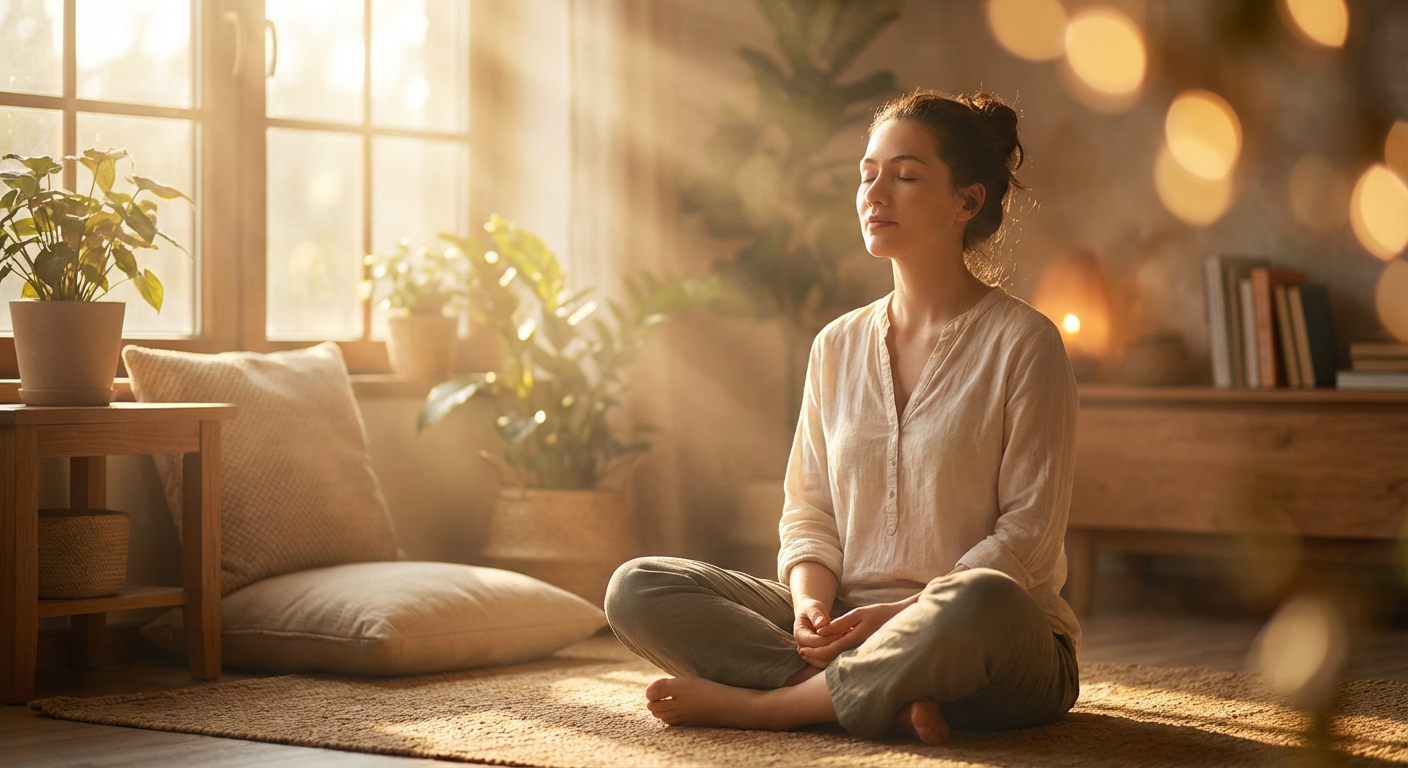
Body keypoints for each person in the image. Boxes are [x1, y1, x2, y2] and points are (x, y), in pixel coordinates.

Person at [604, 89, 1080, 744]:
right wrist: (810, 604)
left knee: (982, 602)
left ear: (966, 202)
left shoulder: (1025, 342)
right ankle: (886, 695)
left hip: (991, 635)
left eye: (906, 176)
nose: (874, 194)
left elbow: (1027, 533)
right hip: (848, 624)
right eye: (867, 174)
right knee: (637, 588)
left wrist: (903, 615)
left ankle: (773, 707)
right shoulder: (836, 344)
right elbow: (809, 511)